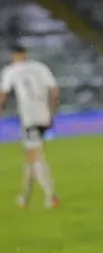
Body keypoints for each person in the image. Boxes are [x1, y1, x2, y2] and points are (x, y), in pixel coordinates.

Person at [0, 44, 60, 208]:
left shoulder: (11, 70)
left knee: (35, 158)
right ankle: (25, 196)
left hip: (29, 119)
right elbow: (54, 91)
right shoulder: (40, 68)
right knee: (32, 157)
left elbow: (3, 95)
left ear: (14, 55)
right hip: (44, 117)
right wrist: (52, 113)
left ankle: (50, 196)